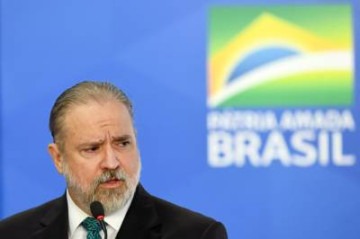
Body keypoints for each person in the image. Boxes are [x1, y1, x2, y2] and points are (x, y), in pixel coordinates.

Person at [0, 81, 228, 239]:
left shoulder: (197, 234)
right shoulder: (11, 233)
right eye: (92, 148)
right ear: (58, 158)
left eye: (123, 143)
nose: (111, 162)